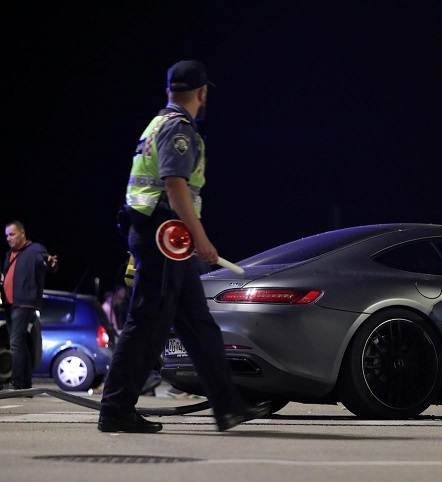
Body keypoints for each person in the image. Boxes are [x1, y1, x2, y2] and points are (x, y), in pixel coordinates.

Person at [98, 59, 271, 433]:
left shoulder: (158, 122)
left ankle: (227, 407)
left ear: (169, 90)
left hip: (167, 239)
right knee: (146, 324)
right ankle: (115, 409)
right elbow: (175, 186)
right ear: (203, 93)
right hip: (164, 238)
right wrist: (203, 240)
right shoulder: (179, 128)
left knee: (199, 326)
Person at [1, 220, 58, 391]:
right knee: (21, 343)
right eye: (6, 236)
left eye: (12, 234)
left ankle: (17, 382)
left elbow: (45, 261)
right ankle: (25, 384)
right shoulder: (9, 254)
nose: (9, 238)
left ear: (22, 233)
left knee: (16, 342)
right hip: (10, 305)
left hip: (24, 303)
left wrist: (50, 262)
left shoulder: (35, 250)